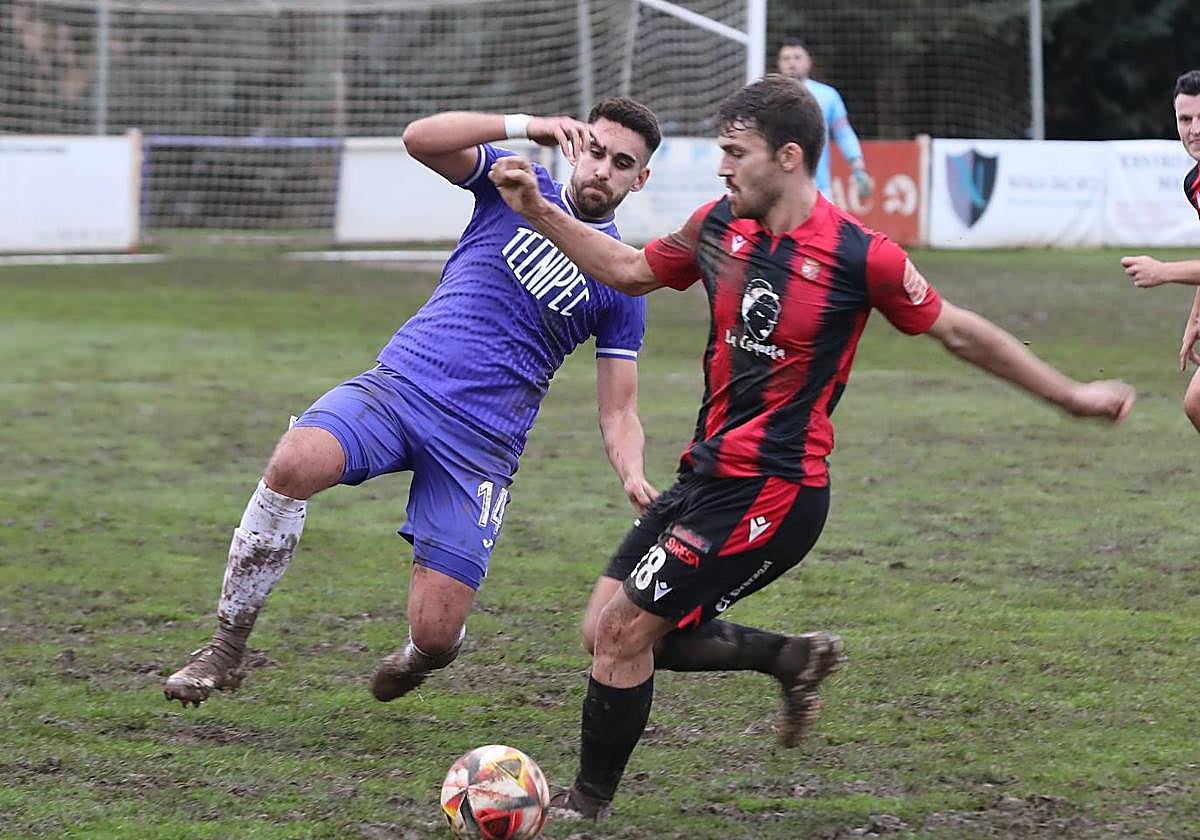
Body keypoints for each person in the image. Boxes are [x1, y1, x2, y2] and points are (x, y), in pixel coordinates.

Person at [488, 74, 1136, 820]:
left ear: (788, 156)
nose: (723, 167)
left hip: (775, 491)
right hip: (704, 476)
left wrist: (1070, 395)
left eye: (736, 152)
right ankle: (789, 657)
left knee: (622, 633)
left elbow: (958, 330)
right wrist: (537, 210)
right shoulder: (716, 228)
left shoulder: (863, 257)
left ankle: (585, 806)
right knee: (607, 631)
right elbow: (629, 271)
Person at [163, 97, 663, 708]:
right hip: (401, 388)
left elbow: (618, 409)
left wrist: (633, 472)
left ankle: (424, 656)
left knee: (435, 629)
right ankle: (226, 647)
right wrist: (524, 126)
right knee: (293, 462)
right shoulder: (512, 184)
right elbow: (420, 139)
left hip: (480, 446)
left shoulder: (622, 279)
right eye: (595, 152)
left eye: (621, 162)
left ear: (639, 179)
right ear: (574, 145)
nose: (602, 170)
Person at [1121, 69, 1200, 431]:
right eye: (1186, 119)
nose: (1194, 129)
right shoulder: (1194, 183)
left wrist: (1163, 272)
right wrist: (1196, 319)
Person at [777, 35, 872, 202]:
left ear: (808, 62)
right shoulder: (769, 97)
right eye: (786, 58)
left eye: (797, 58)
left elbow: (843, 132)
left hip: (818, 186)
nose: (792, 63)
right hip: (778, 185)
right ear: (779, 63)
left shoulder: (827, 96)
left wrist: (857, 164)